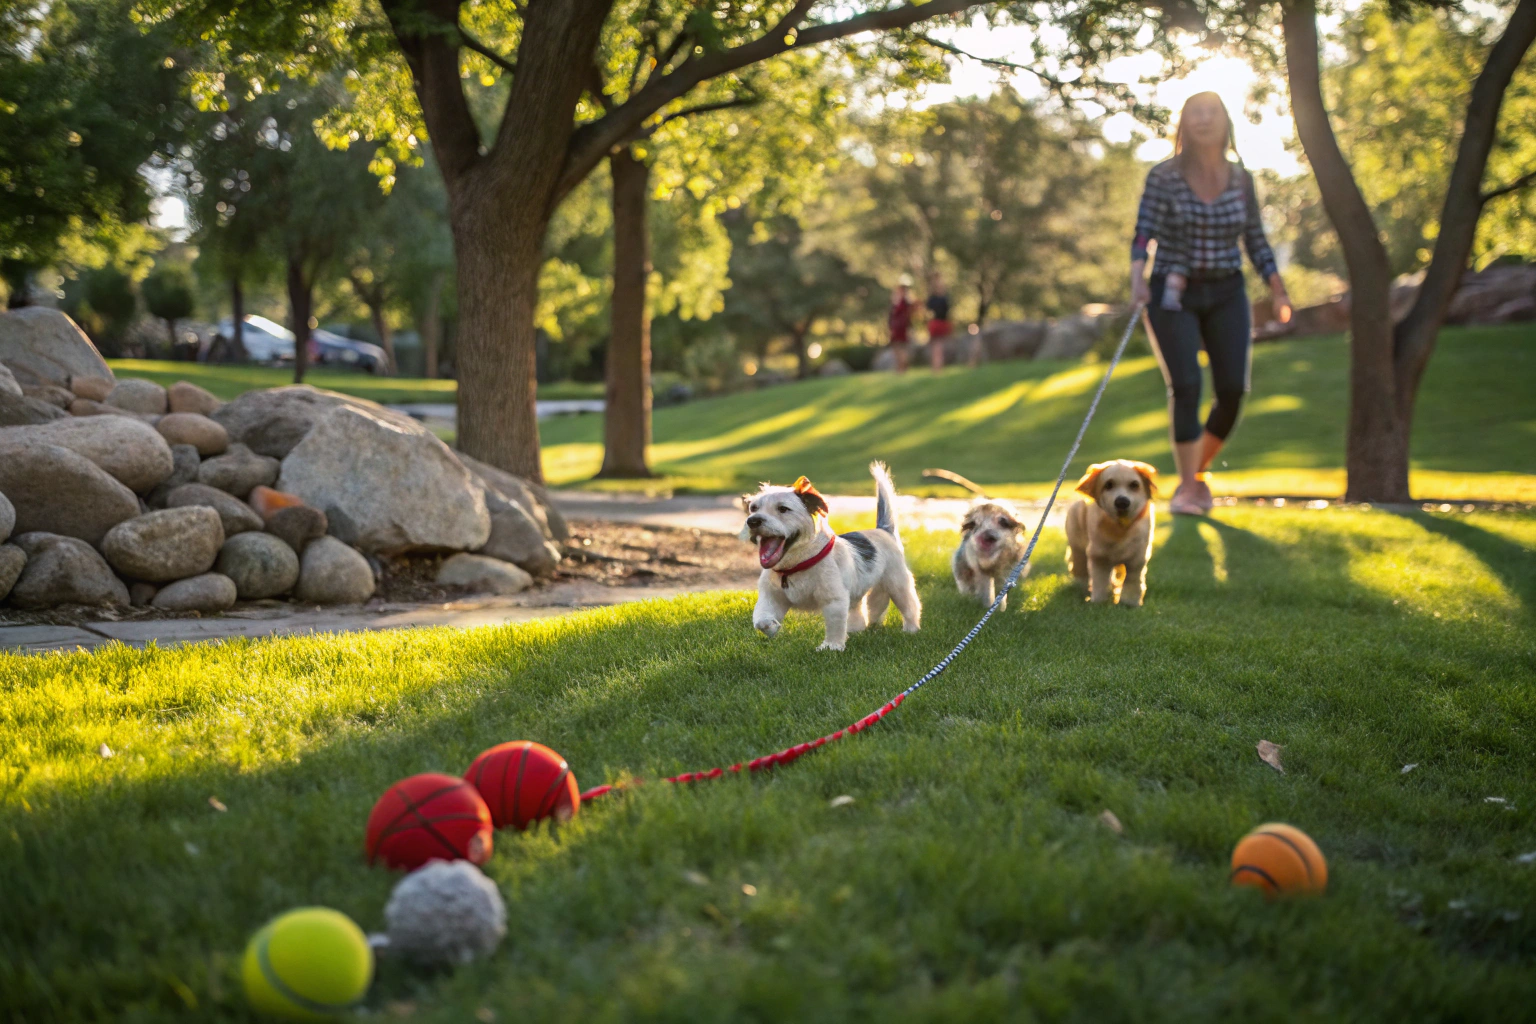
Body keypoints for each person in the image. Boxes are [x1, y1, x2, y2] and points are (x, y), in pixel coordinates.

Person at [1131, 91, 1292, 516]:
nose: (1203, 119)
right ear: (1183, 123)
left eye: (1212, 111)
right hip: (1172, 291)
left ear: (1225, 121)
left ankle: (1192, 475)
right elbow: (1144, 231)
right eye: (1195, 112)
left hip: (1226, 289)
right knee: (1185, 385)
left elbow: (1255, 238)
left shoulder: (1241, 178)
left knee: (1233, 390)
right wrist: (1137, 277)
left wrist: (1277, 288)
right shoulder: (1163, 176)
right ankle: (1188, 489)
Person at [888, 278, 915, 372]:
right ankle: (899, 367)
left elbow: (906, 316)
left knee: (900, 348)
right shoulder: (898, 302)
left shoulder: (904, 303)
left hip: (901, 328)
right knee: (897, 348)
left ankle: (902, 368)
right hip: (896, 327)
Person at [925, 278, 953, 372]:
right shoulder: (941, 299)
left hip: (939, 323)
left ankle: (937, 366)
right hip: (937, 323)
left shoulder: (939, 299)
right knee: (937, 346)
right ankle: (937, 366)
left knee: (937, 346)